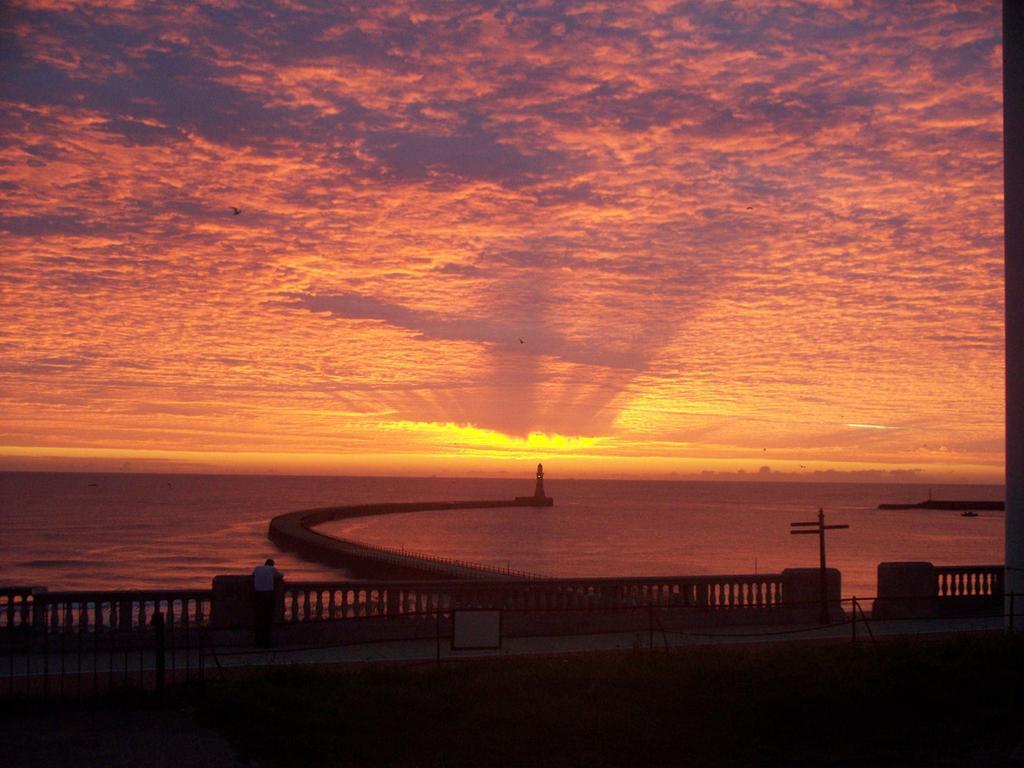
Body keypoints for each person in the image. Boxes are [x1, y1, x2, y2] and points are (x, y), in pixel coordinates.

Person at [252, 558, 282, 647]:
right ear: (272, 564)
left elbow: (253, 575)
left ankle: (257, 642)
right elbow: (280, 575)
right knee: (268, 618)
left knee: (259, 618)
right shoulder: (272, 569)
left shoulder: (257, 568)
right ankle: (267, 642)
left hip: (258, 594)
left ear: (265, 564)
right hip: (268, 594)